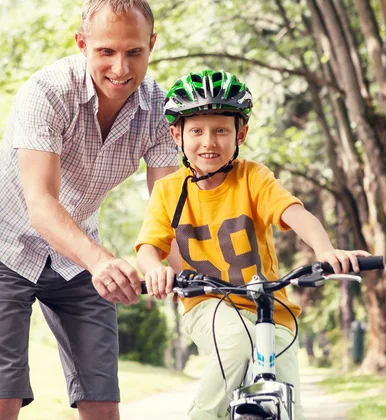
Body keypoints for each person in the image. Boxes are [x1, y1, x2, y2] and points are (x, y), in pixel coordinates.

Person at [0, 0, 178, 420]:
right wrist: (101, 262)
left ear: (152, 44)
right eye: (106, 52)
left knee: (101, 400)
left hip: (76, 257)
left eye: (134, 52)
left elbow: (167, 209)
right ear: (82, 44)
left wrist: (195, 274)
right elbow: (40, 203)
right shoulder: (47, 93)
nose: (120, 69)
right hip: (2, 247)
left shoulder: (159, 108)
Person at [135, 70, 370, 420]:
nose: (208, 142)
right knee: (235, 344)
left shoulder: (253, 177)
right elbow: (148, 246)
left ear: (240, 133)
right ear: (177, 135)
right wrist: (155, 271)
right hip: (209, 304)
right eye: (196, 130)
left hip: (272, 311)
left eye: (221, 130)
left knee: (288, 403)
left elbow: (295, 213)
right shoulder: (170, 190)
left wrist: (325, 250)